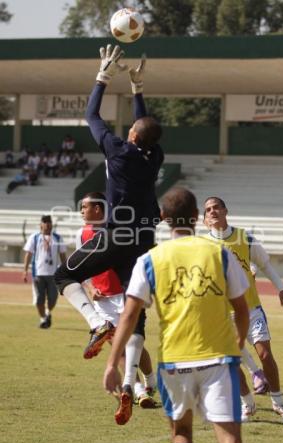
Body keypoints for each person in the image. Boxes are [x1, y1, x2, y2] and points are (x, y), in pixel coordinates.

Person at [103, 187, 249, 443]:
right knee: (231, 439)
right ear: (195, 216)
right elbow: (241, 308)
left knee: (181, 432)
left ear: (162, 217)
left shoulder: (150, 259)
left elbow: (129, 315)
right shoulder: (220, 254)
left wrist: (113, 363)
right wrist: (236, 345)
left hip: (174, 360)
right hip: (219, 359)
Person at [54, 45, 163, 391]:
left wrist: (103, 77)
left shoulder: (118, 149)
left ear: (132, 135)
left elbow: (92, 115)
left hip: (118, 234)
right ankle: (133, 382)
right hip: (145, 241)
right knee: (137, 311)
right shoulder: (155, 154)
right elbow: (145, 126)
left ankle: (97, 322)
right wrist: (137, 90)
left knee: (64, 274)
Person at [203, 196, 283, 425]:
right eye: (208, 210)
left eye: (217, 207)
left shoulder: (246, 238)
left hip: (251, 309)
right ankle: (248, 404)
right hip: (222, 315)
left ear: (226, 211)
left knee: (265, 354)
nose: (213, 211)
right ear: (204, 220)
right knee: (232, 363)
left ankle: (278, 401)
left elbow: (265, 265)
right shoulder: (202, 246)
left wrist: (282, 289)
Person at [76, 191, 156, 416]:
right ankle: (138, 390)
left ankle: (151, 380)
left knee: (135, 344)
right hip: (102, 301)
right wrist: (91, 288)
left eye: (85, 207)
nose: (82, 211)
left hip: (124, 294)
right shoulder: (82, 234)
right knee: (118, 346)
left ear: (98, 209)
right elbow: (79, 268)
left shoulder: (118, 230)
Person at [23, 215, 67, 329]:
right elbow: (28, 254)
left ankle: (48, 312)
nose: (47, 224)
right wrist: (25, 270)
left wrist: (66, 271)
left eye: (49, 222)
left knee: (52, 298)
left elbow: (62, 255)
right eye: (45, 222)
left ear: (52, 224)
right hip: (38, 273)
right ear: (41, 224)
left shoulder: (57, 238)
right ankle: (43, 319)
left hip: (53, 274)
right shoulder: (35, 237)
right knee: (39, 299)